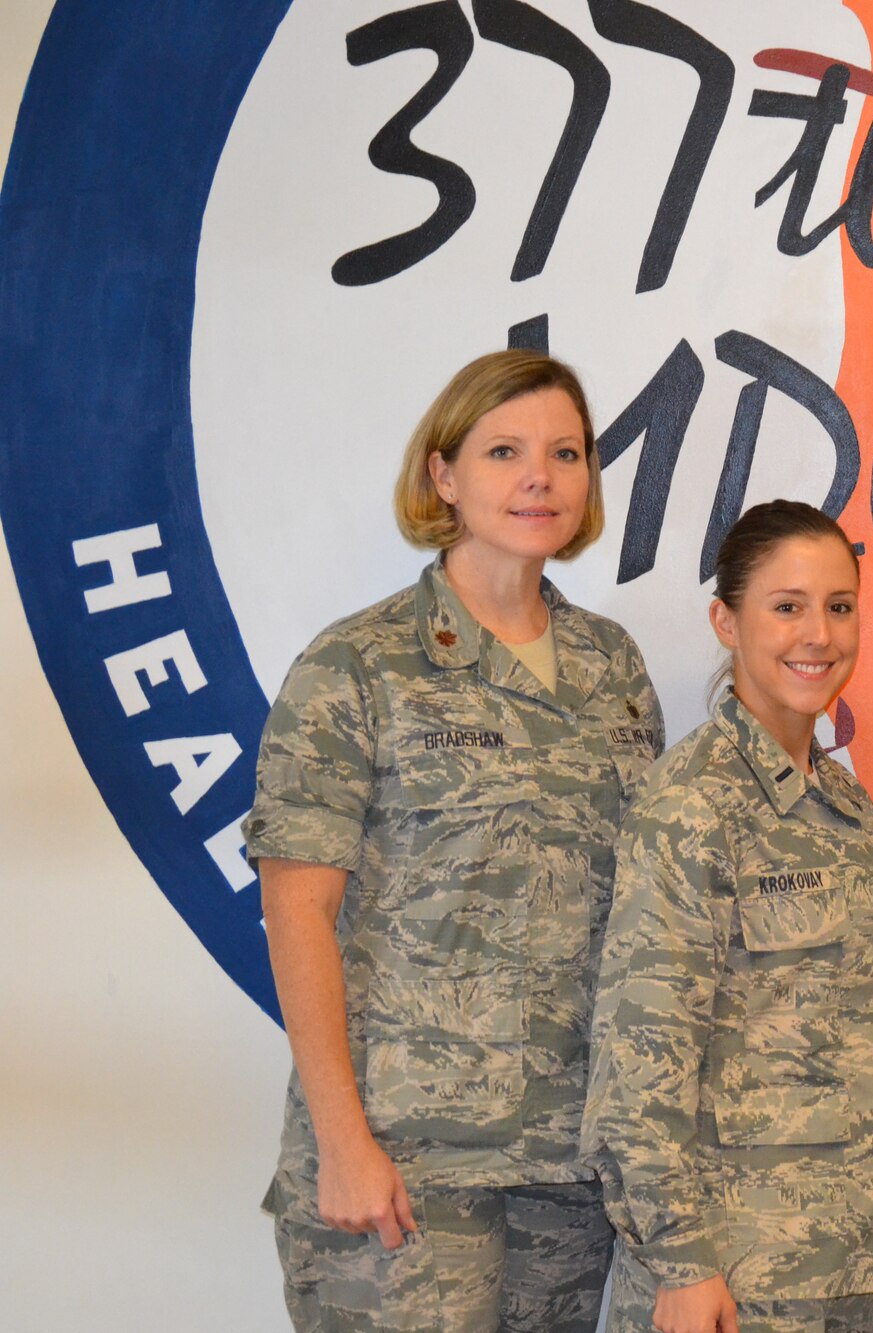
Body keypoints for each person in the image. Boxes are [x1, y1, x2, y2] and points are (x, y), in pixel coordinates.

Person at [244, 349, 664, 1330]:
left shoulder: (611, 667)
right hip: (405, 1162)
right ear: (443, 474)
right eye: (504, 450)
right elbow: (296, 909)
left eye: (566, 453)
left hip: (566, 1166)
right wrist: (344, 1141)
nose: (538, 478)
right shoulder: (359, 665)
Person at [586, 500, 873, 1333]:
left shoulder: (840, 803)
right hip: (725, 1281)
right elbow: (640, 1060)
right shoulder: (693, 803)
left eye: (840, 607)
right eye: (787, 606)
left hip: (832, 1266)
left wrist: (868, 1227)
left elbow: (846, 1042)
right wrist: (682, 1263)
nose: (819, 633)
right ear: (725, 622)